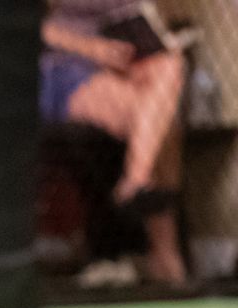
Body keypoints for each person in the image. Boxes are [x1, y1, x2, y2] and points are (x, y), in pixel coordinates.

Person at [40, 0, 190, 284]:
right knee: (160, 121)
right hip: (63, 66)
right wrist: (92, 49)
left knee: (169, 66)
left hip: (121, 65)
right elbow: (24, 28)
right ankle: (163, 252)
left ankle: (136, 179)